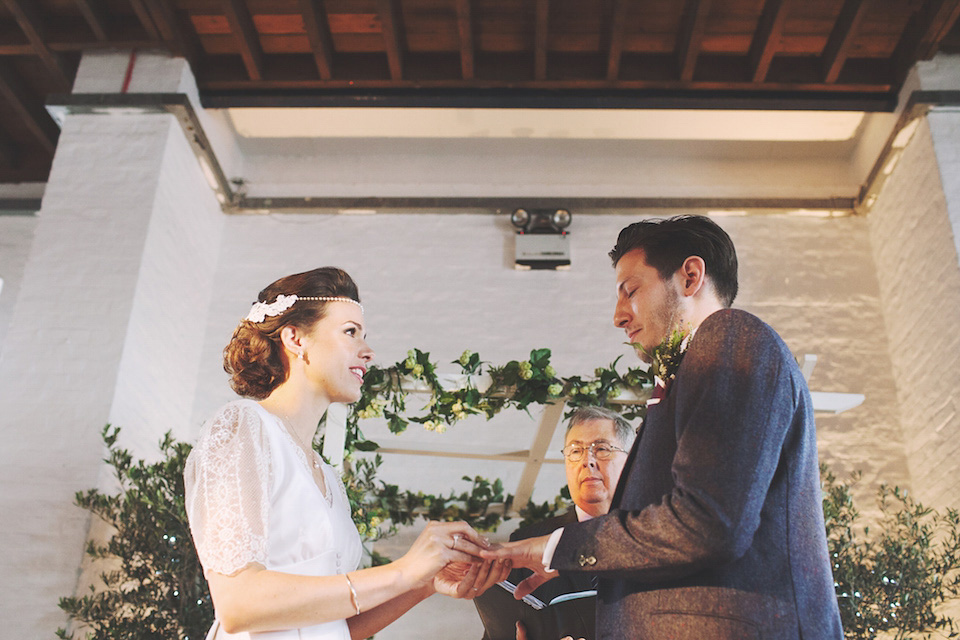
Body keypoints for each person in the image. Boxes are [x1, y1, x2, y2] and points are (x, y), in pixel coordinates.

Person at [484, 216, 843, 639]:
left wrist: (555, 547)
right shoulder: (686, 377)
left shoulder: (729, 338)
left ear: (690, 276)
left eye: (630, 291)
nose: (618, 316)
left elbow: (707, 523)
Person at [184, 267, 509, 640]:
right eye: (350, 332)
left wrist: (423, 582)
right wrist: (403, 569)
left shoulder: (327, 477)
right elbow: (238, 605)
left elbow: (334, 626)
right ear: (295, 338)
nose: (368, 353)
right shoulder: (244, 428)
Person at [474, 406, 634, 640]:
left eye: (601, 449)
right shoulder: (527, 542)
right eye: (575, 451)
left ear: (632, 463)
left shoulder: (660, 536)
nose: (587, 461)